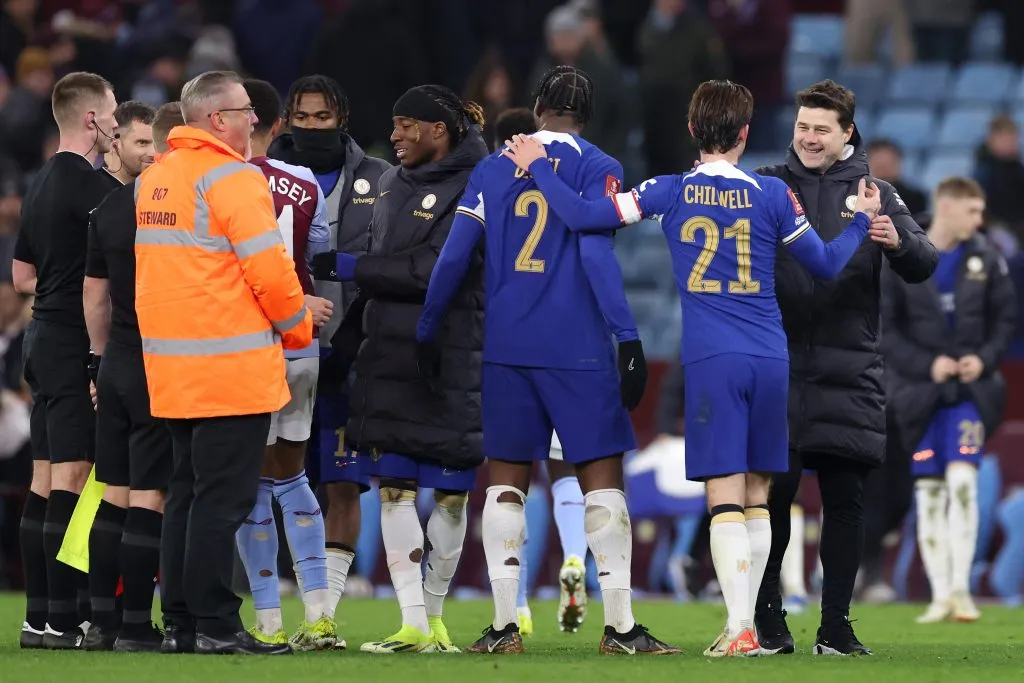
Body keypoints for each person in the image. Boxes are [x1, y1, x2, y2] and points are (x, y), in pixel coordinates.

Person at [503, 78, 879, 656]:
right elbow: (827, 264)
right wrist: (860, 220)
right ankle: (745, 626)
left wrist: (540, 166)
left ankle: (740, 630)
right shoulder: (774, 194)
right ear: (746, 134)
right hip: (772, 357)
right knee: (759, 492)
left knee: (725, 494)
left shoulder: (668, 190)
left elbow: (581, 217)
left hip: (714, 358)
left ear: (690, 130)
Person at [418, 65, 674, 656]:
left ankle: (505, 626)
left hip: (507, 345)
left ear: (537, 107)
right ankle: (620, 628)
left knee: (506, 483)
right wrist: (627, 336)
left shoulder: (491, 167)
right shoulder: (599, 166)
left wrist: (429, 329)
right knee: (601, 485)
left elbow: (455, 257)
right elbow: (596, 258)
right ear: (587, 115)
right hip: (577, 347)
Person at [750, 79, 938, 656]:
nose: (808, 137)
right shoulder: (767, 185)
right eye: (803, 126)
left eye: (821, 129)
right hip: (777, 364)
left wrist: (896, 242)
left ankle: (835, 625)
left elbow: (925, 260)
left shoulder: (877, 191)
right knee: (772, 499)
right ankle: (768, 619)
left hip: (850, 365)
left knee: (845, 499)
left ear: (846, 134)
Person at [134, 70, 312, 656]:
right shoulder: (232, 178)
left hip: (171, 369)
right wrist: (297, 329)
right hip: (229, 369)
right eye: (243, 110)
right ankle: (214, 622)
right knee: (221, 500)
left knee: (185, 495)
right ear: (217, 120)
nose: (252, 119)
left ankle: (182, 621)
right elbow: (271, 272)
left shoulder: (155, 180)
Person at [311, 84, 488, 654]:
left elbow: (432, 270)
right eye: (394, 125)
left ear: (439, 130)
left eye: (406, 125)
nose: (395, 136)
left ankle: (433, 618)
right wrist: (350, 341)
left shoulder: (477, 185)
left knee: (455, 495)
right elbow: (386, 273)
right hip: (389, 359)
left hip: (453, 355)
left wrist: (347, 265)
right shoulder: (390, 185)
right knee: (395, 488)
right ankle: (415, 621)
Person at [268, 76, 390, 636]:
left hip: (350, 352)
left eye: (321, 117)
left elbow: (387, 268)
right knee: (274, 480)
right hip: (276, 353)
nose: (312, 126)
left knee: (343, 483)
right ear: (286, 120)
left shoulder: (381, 179)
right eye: (303, 117)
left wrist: (351, 338)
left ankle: (326, 614)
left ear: (341, 115)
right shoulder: (258, 177)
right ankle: (271, 607)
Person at [13, 71, 120, 650]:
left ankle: (38, 618)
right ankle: (62, 618)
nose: (112, 124)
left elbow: (20, 276)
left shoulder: (38, 182)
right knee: (73, 479)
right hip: (73, 340)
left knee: (45, 477)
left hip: (40, 338)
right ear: (92, 120)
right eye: (109, 114)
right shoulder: (96, 189)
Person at [881, 177, 1015, 624]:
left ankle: (960, 590)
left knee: (962, 482)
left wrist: (984, 358)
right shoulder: (901, 254)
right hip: (919, 396)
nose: (980, 221)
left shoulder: (987, 259)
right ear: (948, 207)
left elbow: (1006, 320)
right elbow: (885, 329)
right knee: (929, 492)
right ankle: (940, 594)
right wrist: (927, 364)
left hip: (970, 395)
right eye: (973, 211)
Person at [235, 77, 336, 650]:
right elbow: (313, 253)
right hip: (299, 340)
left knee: (249, 481)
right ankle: (320, 614)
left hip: (241, 345)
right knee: (294, 474)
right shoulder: (302, 182)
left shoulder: (214, 182)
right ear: (279, 127)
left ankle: (269, 621)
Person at [491, 106, 590, 637]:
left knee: (510, 482)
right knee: (567, 469)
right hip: (566, 341)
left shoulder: (492, 185)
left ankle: (518, 603)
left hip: (508, 342)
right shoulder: (572, 179)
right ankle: (575, 556)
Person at [81, 99, 161, 652]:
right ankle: (136, 626)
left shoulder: (105, 213)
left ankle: (100, 621)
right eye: (144, 145)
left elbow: (94, 297)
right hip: (157, 365)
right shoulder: (169, 211)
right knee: (149, 498)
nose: (153, 154)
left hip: (114, 364)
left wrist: (97, 361)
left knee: (112, 495)